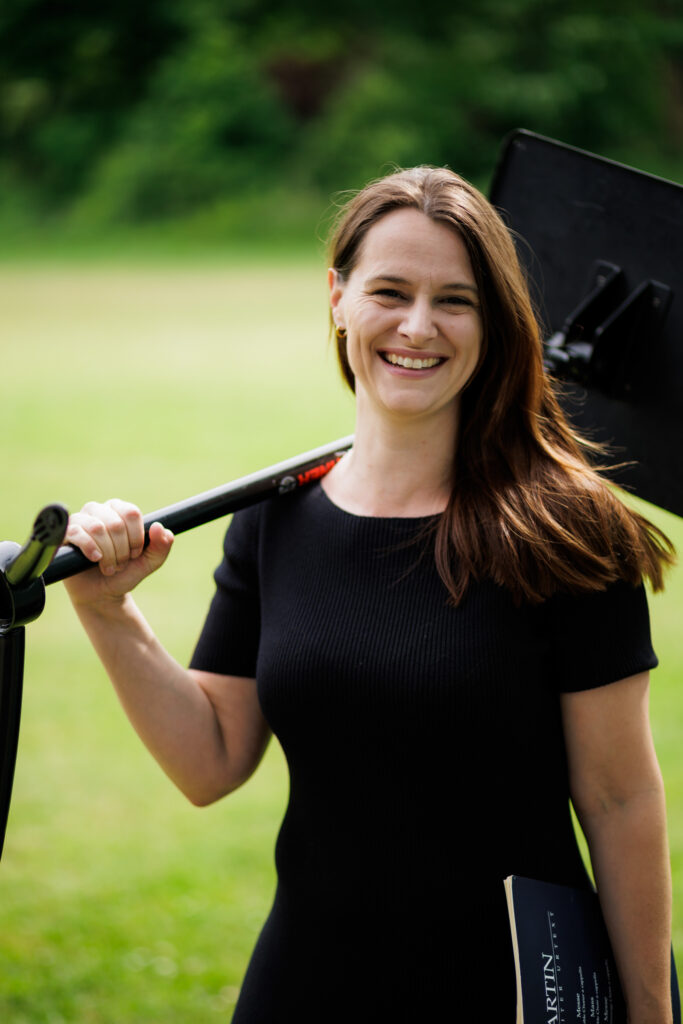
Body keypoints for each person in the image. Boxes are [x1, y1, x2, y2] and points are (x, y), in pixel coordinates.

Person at [64, 166, 676, 1022]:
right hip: (309, 981)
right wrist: (106, 609)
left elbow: (618, 799)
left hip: (506, 986)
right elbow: (210, 761)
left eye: (455, 300)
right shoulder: (274, 521)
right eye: (389, 291)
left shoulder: (568, 534)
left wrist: (650, 1012)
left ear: (493, 323)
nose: (418, 327)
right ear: (338, 298)